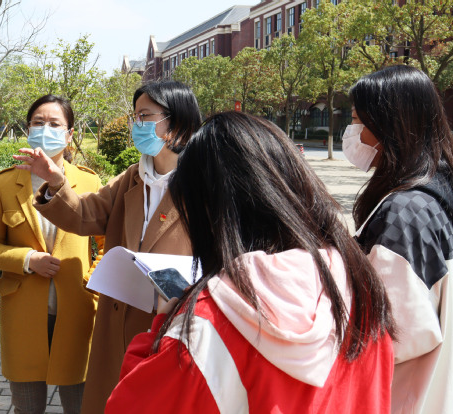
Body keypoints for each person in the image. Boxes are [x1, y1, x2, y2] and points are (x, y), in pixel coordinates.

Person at [105, 111, 396, 413]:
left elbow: (130, 405)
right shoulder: (359, 284)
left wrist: (160, 330)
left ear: (211, 213)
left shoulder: (205, 327)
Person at [14, 80, 201, 413]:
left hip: (172, 323)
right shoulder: (132, 178)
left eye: (145, 116)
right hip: (119, 322)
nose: (136, 125)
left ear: (177, 124)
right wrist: (56, 182)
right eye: (135, 117)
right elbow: (85, 215)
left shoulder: (204, 186)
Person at [0, 95, 102, 414]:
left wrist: (93, 281)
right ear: (28, 129)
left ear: (69, 134)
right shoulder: (5, 183)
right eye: (38, 122)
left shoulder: (88, 181)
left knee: (81, 406)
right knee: (27, 407)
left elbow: (109, 242)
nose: (45, 129)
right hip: (24, 312)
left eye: (55, 124)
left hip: (77, 308)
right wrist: (27, 260)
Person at [348, 65, 453, 413]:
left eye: (357, 121)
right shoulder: (435, 194)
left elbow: (389, 338)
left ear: (387, 127)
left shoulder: (403, 215)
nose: (352, 133)